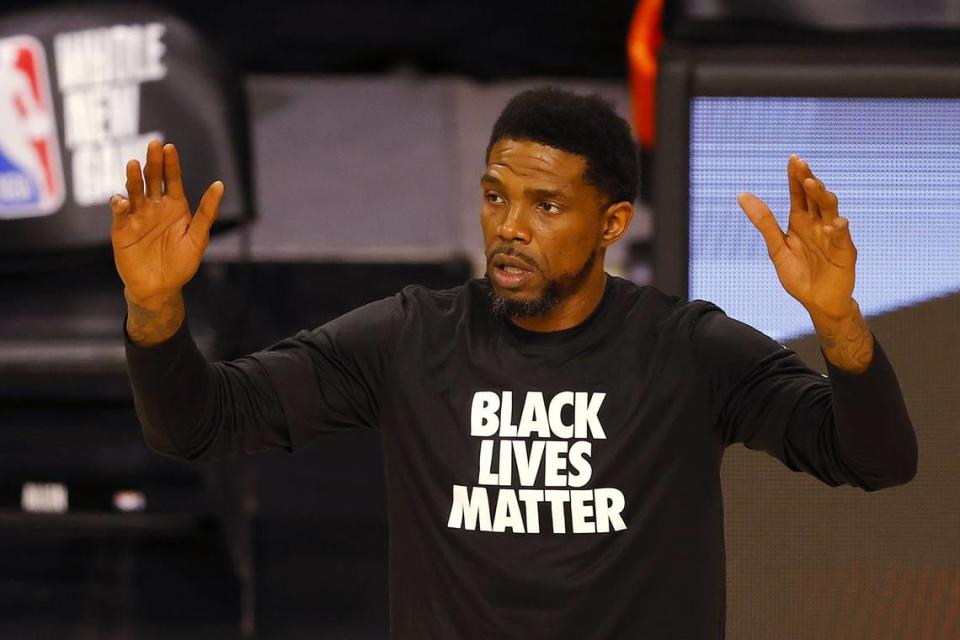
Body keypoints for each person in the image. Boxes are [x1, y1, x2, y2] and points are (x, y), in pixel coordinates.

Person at [112, 88, 918, 639]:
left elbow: (876, 460)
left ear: (612, 225)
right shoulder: (410, 339)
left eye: (547, 206)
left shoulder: (688, 350)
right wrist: (155, 308)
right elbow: (197, 426)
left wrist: (837, 319)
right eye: (497, 196)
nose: (510, 227)